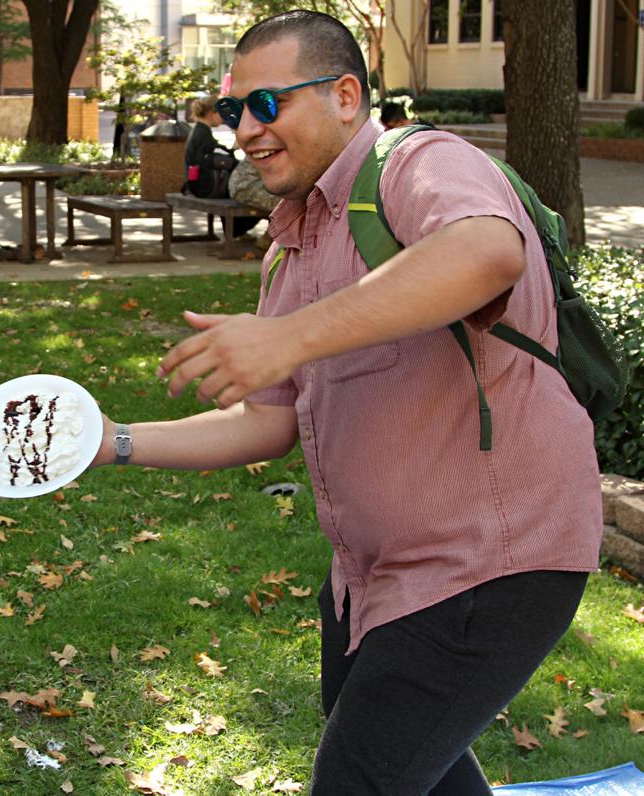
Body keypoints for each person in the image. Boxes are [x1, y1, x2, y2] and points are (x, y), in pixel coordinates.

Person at [93, 10, 600, 794]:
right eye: (234, 111)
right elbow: (266, 421)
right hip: (374, 576)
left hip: (490, 563)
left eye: (269, 105)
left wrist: (290, 336)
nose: (246, 131)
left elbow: (486, 249)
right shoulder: (292, 244)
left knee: (359, 779)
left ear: (345, 95)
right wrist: (113, 441)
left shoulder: (421, 163)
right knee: (415, 773)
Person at [184, 96, 262, 237]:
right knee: (242, 190)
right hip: (204, 186)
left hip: (197, 184)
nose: (223, 119)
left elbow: (214, 154)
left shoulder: (200, 130)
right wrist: (233, 156)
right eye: (221, 114)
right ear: (211, 113)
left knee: (231, 184)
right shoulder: (203, 133)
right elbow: (212, 158)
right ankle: (236, 230)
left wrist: (231, 150)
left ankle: (235, 231)